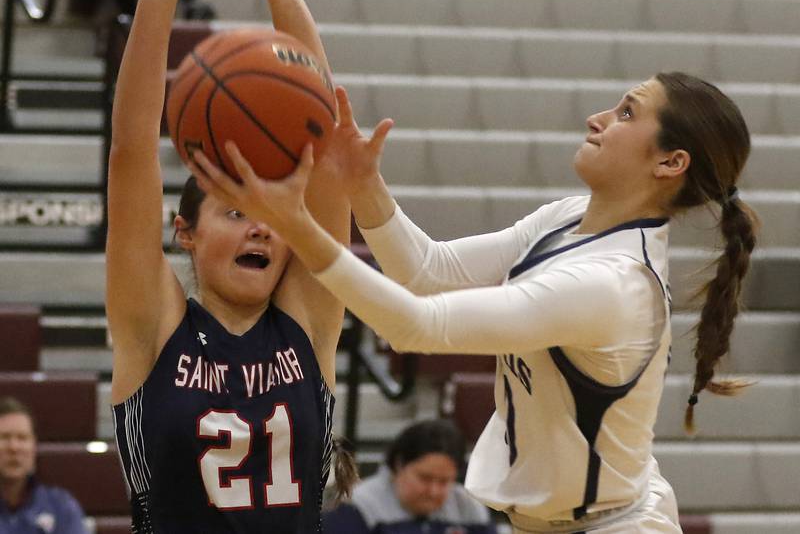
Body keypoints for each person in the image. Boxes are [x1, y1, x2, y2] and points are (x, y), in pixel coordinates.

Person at [189, 71, 758, 533]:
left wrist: (302, 228)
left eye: (628, 112)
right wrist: (363, 185)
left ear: (670, 163)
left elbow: (416, 326)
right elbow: (428, 273)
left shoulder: (612, 285)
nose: (600, 118)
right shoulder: (567, 219)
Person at [104, 0, 351, 532]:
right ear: (184, 231)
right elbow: (131, 153)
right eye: (235, 212)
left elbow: (325, 155)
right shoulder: (150, 328)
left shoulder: (308, 322)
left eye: (272, 219)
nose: (262, 232)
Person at [324, 419, 497, 534]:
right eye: (425, 478)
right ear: (399, 465)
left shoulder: (469, 507)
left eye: (444, 481)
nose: (433, 491)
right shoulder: (358, 506)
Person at [0, 397, 88, 534]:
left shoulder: (61, 507)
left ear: (34, 447)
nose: (14, 448)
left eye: (22, 438)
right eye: (4, 437)